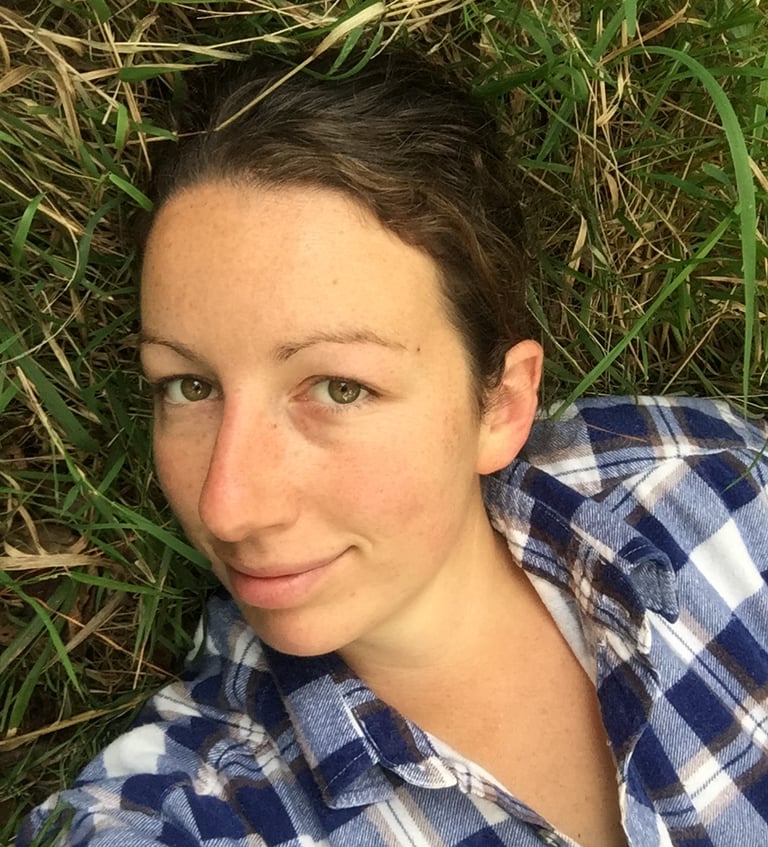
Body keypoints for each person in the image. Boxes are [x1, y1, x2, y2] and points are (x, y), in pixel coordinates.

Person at [17, 49, 768, 847]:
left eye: (340, 387)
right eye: (188, 386)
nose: (227, 506)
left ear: (501, 404)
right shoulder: (185, 814)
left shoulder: (711, 481)